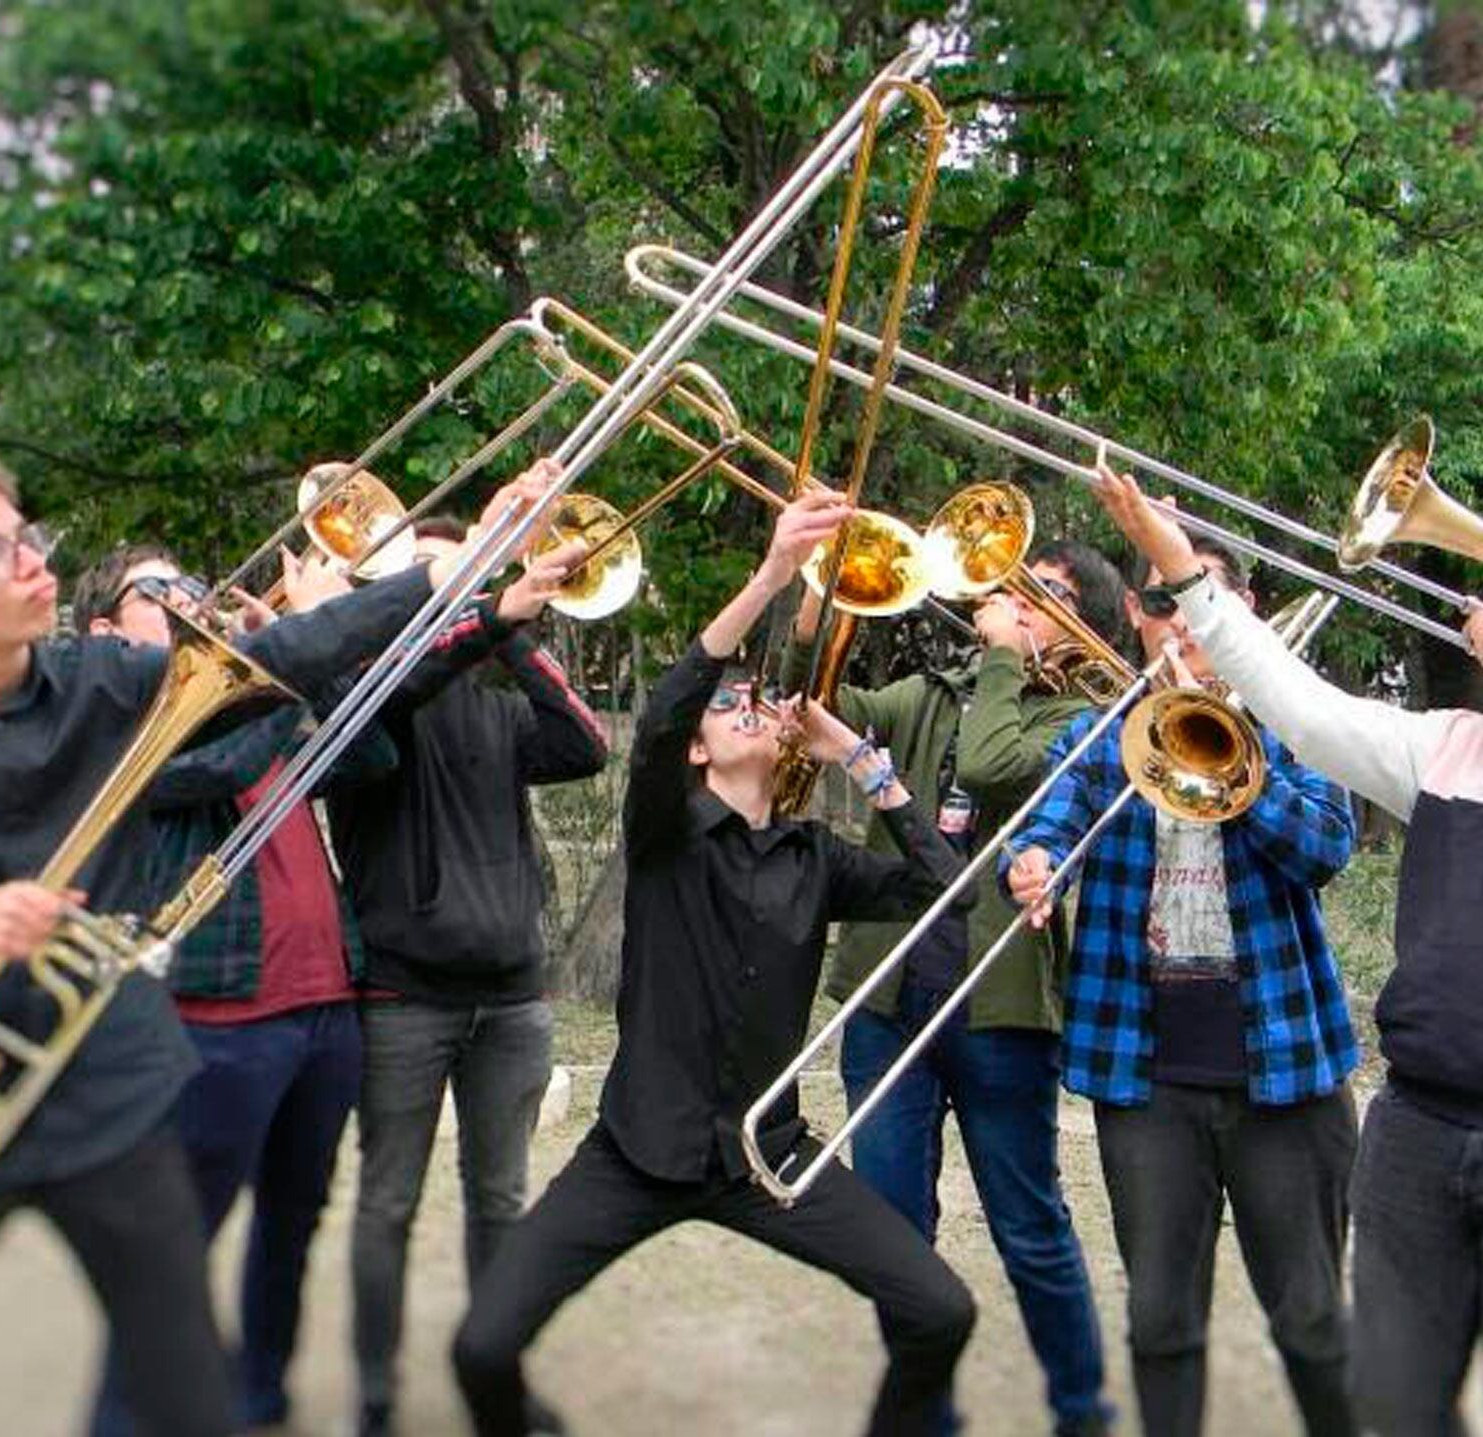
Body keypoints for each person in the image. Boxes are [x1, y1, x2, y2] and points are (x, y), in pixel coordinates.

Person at [0, 445, 539, 1433]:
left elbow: (295, 655)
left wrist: (462, 560)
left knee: (185, 1389)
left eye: (25, 536)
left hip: (117, 1098)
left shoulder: (102, 681)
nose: (33, 562)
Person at [1089, 465, 1483, 1437]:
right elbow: (1302, 710)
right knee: (1391, 1408)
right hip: (1420, 1132)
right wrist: (1182, 570)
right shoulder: (1458, 745)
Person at [451, 489, 978, 1437]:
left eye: (756, 703)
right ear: (699, 750)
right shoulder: (666, 832)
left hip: (768, 1158)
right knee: (481, 1350)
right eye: (725, 704)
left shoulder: (815, 857)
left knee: (942, 1310)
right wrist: (774, 573)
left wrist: (864, 761)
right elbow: (662, 713)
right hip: (635, 1151)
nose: (745, 707)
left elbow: (950, 893)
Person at [72, 509, 578, 1435]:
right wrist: (299, 656)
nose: (192, 599)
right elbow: (216, 764)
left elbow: (370, 750)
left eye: (194, 587)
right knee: (177, 1237)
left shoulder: (253, 697)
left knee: (291, 1224)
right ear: (107, 630)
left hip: (325, 1008)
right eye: (163, 590)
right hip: (221, 1017)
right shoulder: (120, 716)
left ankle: (259, 1395)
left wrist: (325, 656)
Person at [1004, 525, 1359, 1437]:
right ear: (1137, 613)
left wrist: (1230, 773)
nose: (1181, 625)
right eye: (1162, 603)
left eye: (1200, 602)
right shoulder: (1101, 732)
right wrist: (1033, 863)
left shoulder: (1294, 722)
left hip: (1286, 1073)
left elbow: (1327, 847)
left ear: (1240, 612)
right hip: (1146, 1077)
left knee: (1312, 1319)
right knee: (1160, 1320)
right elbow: (1048, 823)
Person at [783, 536, 1124, 1436]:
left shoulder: (1088, 717)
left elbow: (991, 764)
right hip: (890, 1000)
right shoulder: (933, 691)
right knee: (895, 1234)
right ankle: (922, 1417)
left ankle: (1082, 1412)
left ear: (1082, 626)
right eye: (1016, 590)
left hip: (1001, 1009)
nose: (1018, 603)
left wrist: (1005, 657)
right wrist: (819, 599)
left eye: (1046, 595)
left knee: (1030, 1229)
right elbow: (817, 707)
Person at [327, 514, 610, 1437]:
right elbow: (388, 694)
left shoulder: (497, 708)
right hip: (403, 998)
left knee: (500, 1202)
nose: (451, 586)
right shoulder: (370, 701)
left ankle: (497, 1388)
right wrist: (473, 615)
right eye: (431, 573)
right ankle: (375, 1395)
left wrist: (510, 625)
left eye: (464, 573)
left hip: (512, 999)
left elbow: (587, 745)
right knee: (387, 1203)